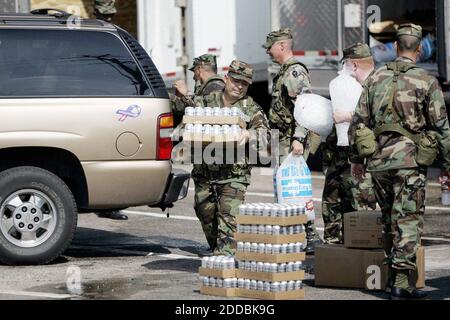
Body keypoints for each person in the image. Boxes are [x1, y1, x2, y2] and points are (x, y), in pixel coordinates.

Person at [348, 24, 450, 300]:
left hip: (379, 163)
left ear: (395, 47)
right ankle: (401, 283)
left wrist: (357, 160)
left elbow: (358, 123)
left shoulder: (375, 78)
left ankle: (395, 278)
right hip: (409, 161)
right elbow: (442, 128)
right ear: (418, 50)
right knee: (407, 220)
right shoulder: (426, 81)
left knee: (390, 219)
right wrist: (447, 168)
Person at [192, 60, 270, 256]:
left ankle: (223, 262)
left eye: (244, 84)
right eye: (236, 81)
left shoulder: (250, 108)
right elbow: (189, 122)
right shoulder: (206, 101)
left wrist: (250, 135)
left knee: (228, 219)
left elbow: (265, 134)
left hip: (234, 175)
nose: (239, 87)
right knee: (205, 214)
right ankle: (216, 249)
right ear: (226, 78)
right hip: (205, 172)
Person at [263, 28, 322, 253]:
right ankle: (292, 234)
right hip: (282, 138)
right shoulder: (284, 71)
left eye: (270, 47)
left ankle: (311, 235)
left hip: (291, 139)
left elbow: (304, 106)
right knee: (284, 189)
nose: (268, 52)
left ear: (282, 46)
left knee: (295, 188)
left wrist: (298, 138)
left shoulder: (294, 72)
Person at [322, 43, 377, 244]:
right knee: (333, 199)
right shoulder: (342, 84)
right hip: (340, 151)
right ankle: (334, 247)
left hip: (364, 154)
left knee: (361, 203)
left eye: (345, 63)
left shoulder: (377, 83)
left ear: (353, 64)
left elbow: (379, 115)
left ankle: (363, 247)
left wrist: (348, 116)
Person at [171, 54, 225, 126]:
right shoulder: (208, 87)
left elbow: (207, 113)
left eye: (194, 71)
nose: (194, 77)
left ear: (199, 69)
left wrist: (187, 93)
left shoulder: (216, 87)